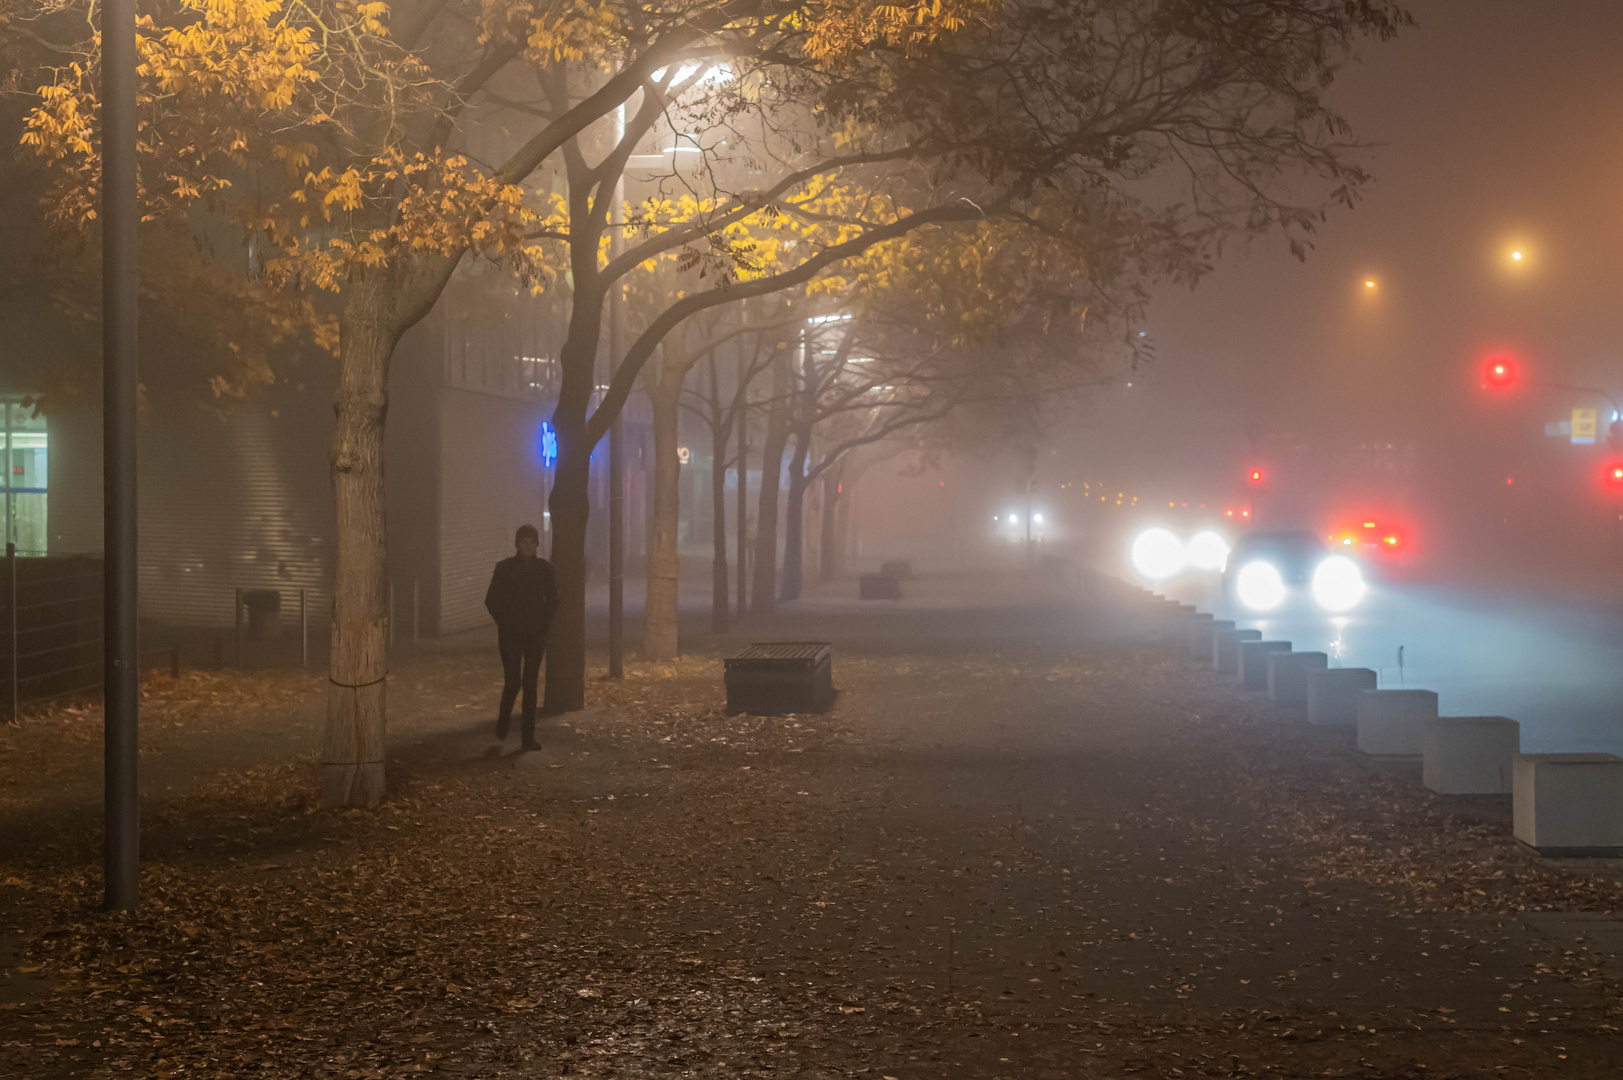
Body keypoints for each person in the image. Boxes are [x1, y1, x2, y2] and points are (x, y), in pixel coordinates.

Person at [484, 524, 560, 750]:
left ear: (537, 545)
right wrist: (505, 622)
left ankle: (528, 737)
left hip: (535, 635)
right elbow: (492, 600)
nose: (528, 546)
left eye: (532, 543)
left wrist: (544, 622)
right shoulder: (505, 568)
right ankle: (504, 720)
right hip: (511, 635)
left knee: (530, 684)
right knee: (513, 682)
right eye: (524, 542)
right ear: (517, 544)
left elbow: (554, 599)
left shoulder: (544, 569)